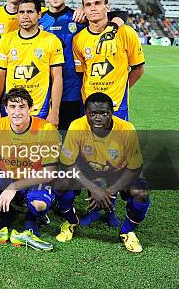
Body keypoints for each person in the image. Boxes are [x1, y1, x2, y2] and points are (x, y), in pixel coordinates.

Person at [54, 92, 150, 253]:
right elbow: (67, 163)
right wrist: (94, 188)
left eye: (104, 113)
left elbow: (134, 168)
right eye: (93, 114)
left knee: (141, 192)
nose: (98, 118)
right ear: (86, 114)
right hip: (87, 170)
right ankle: (71, 221)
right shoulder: (77, 126)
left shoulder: (126, 129)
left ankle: (127, 231)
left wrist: (109, 190)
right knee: (61, 182)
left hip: (118, 171)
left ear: (112, 112)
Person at [0, 88, 60, 251]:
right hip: (6, 175)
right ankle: (7, 215)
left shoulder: (46, 130)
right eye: (12, 106)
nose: (17, 112)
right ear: (5, 108)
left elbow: (49, 171)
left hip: (34, 178)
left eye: (22, 107)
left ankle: (32, 222)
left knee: (38, 204)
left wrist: (14, 187)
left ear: (30, 109)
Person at [40, 0, 127, 131]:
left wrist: (113, 26)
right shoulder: (37, 19)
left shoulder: (79, 17)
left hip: (71, 93)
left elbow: (119, 15)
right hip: (42, 93)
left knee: (72, 142)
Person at [0, 0, 64, 126]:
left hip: (40, 108)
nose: (25, 16)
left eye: (30, 12)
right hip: (12, 108)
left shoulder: (51, 40)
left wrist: (55, 112)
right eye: (21, 12)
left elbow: (57, 78)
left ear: (39, 14)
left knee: (37, 146)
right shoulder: (6, 40)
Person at [72, 0, 145, 121]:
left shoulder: (126, 33)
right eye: (88, 5)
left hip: (116, 105)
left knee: (117, 142)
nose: (93, 8)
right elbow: (82, 72)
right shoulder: (78, 39)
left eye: (97, 3)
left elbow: (138, 69)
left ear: (107, 7)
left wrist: (122, 87)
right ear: (84, 10)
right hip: (88, 103)